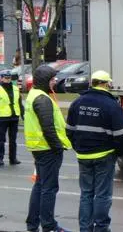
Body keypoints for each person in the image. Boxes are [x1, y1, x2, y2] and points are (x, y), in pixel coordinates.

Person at [66, 70, 123, 232]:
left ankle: (85, 228)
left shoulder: (77, 103)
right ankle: (101, 227)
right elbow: (122, 135)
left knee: (86, 193)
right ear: (106, 84)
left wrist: (78, 147)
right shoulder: (112, 105)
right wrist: (119, 152)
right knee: (102, 194)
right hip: (104, 155)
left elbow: (69, 130)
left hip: (83, 155)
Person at [24, 65, 72, 232]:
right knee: (49, 189)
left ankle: (32, 224)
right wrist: (57, 147)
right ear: (45, 80)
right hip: (47, 149)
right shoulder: (42, 99)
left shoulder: (35, 95)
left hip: (39, 147)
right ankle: (49, 225)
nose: (55, 81)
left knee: (40, 185)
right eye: (52, 79)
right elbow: (48, 127)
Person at [0, 70, 24, 166]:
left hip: (14, 117)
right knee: (1, 140)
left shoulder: (15, 88)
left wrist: (23, 115)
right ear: (1, 78)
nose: (8, 80)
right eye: (6, 78)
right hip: (2, 117)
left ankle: (13, 158)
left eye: (9, 78)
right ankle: (0, 159)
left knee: (13, 140)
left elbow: (19, 103)